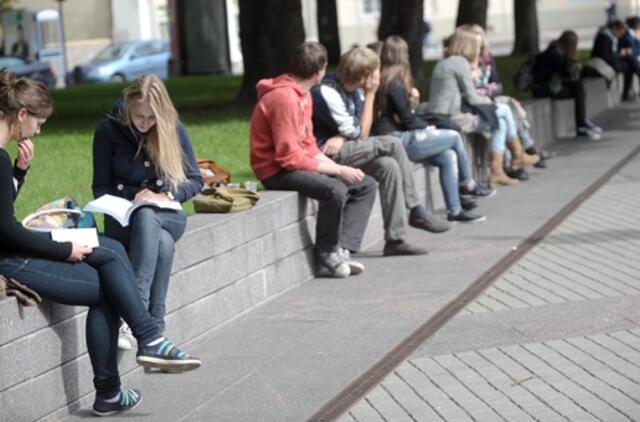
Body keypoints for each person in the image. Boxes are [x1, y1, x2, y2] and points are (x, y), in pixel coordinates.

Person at [0, 69, 201, 417]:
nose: (39, 130)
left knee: (109, 251)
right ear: (21, 115)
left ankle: (142, 345)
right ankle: (143, 346)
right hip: (10, 258)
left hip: (12, 246)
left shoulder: (5, 158)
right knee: (110, 284)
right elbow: (6, 230)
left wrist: (20, 171)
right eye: (39, 123)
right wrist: (65, 249)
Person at [92, 74, 203, 349]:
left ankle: (133, 314)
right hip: (123, 218)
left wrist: (165, 195)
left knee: (148, 214)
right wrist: (125, 202)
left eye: (151, 118)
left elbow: (195, 180)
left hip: (166, 213)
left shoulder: (172, 128)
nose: (144, 123)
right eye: (139, 116)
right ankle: (156, 333)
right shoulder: (107, 131)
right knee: (162, 243)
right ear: (128, 105)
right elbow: (100, 186)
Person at [250, 42, 377, 276]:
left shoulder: (303, 95)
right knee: (335, 189)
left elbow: (308, 143)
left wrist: (336, 166)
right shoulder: (284, 99)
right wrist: (337, 171)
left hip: (294, 163)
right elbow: (288, 157)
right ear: (320, 70)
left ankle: (343, 248)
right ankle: (327, 250)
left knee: (365, 184)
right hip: (275, 171)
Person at [311, 46, 445, 255]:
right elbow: (362, 133)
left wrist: (343, 135)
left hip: (346, 147)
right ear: (365, 77)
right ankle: (416, 209)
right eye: (375, 72)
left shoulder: (355, 90)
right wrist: (371, 94)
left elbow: (358, 130)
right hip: (327, 154)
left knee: (389, 166)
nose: (378, 76)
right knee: (393, 143)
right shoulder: (328, 91)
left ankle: (395, 239)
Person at [374, 35, 493, 223]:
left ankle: (454, 211)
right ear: (403, 55)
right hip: (397, 139)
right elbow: (407, 118)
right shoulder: (394, 83)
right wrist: (426, 126)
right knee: (454, 136)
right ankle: (467, 183)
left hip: (399, 135)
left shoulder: (385, 79)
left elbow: (403, 115)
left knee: (448, 156)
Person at [428, 29, 538, 187]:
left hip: (444, 114)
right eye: (476, 46)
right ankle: (512, 159)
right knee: (503, 112)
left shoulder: (445, 61)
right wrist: (490, 102)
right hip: (453, 117)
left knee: (501, 120)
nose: (479, 51)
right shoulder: (460, 63)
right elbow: (472, 97)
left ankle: (506, 165)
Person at [461, 23, 552, 171]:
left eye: (481, 42)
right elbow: (470, 93)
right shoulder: (464, 63)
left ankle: (516, 160)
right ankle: (523, 154)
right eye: (476, 43)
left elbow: (498, 85)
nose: (479, 46)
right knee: (506, 110)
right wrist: (487, 90)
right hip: (476, 107)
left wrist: (489, 90)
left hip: (489, 100)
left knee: (508, 107)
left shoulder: (487, 59)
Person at [532, 30, 603, 141]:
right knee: (578, 88)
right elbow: (566, 73)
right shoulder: (555, 55)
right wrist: (573, 61)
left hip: (547, 86)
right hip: (544, 89)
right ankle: (581, 125)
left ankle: (582, 122)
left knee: (578, 87)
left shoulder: (554, 51)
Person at [591, 19, 638, 101]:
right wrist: (620, 54)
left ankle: (626, 94)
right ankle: (625, 94)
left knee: (630, 61)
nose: (620, 35)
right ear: (615, 28)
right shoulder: (604, 37)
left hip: (609, 62)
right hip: (604, 64)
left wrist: (622, 53)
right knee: (630, 64)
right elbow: (605, 56)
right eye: (620, 32)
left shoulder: (609, 37)